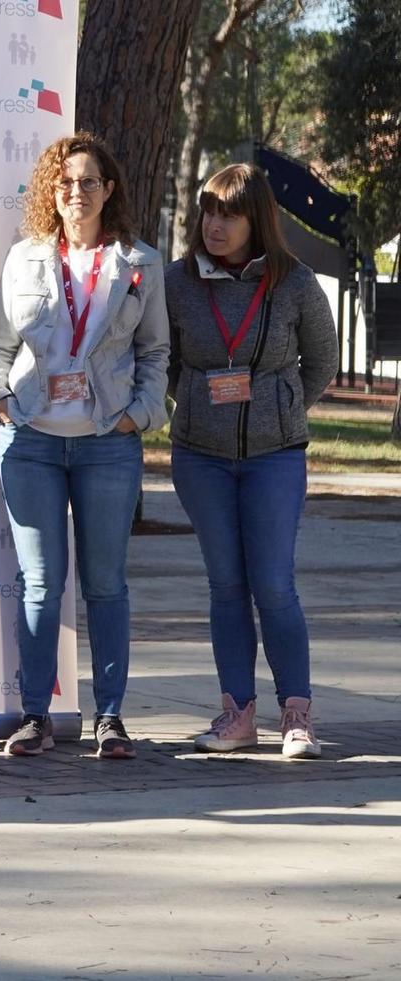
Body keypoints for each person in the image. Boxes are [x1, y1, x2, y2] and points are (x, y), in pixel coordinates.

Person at [0, 133, 168, 759]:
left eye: (88, 181)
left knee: (106, 584)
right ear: (49, 193)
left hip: (106, 445)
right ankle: (36, 716)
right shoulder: (25, 258)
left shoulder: (141, 263)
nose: (76, 192)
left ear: (108, 189)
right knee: (40, 583)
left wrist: (137, 416)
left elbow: (155, 354)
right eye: (64, 182)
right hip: (30, 439)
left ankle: (110, 718)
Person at [167, 163, 338, 757]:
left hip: (275, 457)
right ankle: (236, 717)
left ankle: (297, 715)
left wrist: (280, 405)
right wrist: (192, 403)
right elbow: (164, 359)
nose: (215, 224)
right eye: (209, 211)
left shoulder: (295, 283)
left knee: (273, 585)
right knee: (226, 586)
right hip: (200, 458)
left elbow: (320, 361)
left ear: (255, 219)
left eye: (229, 214)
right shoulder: (178, 282)